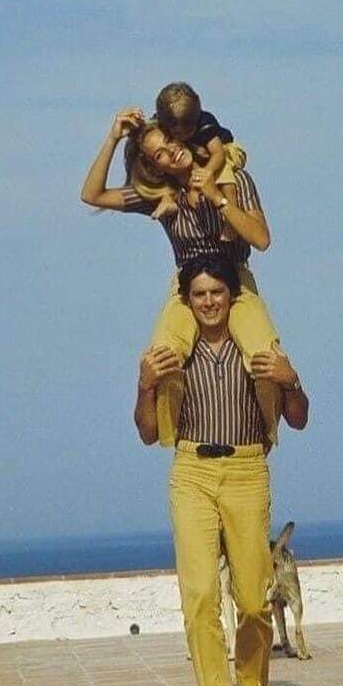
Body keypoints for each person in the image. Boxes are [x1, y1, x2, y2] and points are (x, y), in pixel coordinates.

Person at [134, 255, 309, 686]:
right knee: (200, 594)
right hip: (191, 470)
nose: (209, 302)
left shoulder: (257, 349)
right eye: (199, 295)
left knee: (254, 598)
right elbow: (148, 434)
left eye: (216, 293)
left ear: (233, 297)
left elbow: (298, 418)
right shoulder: (174, 355)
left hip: (248, 469)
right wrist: (145, 386)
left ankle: (255, 684)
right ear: (186, 302)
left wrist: (289, 378)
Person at [81, 109, 281, 449]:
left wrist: (217, 197)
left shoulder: (233, 179)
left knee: (264, 352)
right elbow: (92, 195)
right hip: (187, 286)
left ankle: (264, 434)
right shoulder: (162, 195)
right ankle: (170, 436)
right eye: (160, 152)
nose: (171, 150)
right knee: (163, 355)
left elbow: (261, 239)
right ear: (157, 166)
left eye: (171, 141)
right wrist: (113, 137)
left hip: (235, 279)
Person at [140, 82, 246, 235]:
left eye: (189, 130)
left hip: (227, 149)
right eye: (177, 134)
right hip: (201, 152)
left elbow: (218, 154)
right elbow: (148, 132)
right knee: (172, 173)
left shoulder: (205, 124)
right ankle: (168, 199)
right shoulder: (164, 121)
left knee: (224, 174)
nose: (183, 136)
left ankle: (231, 222)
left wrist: (208, 171)